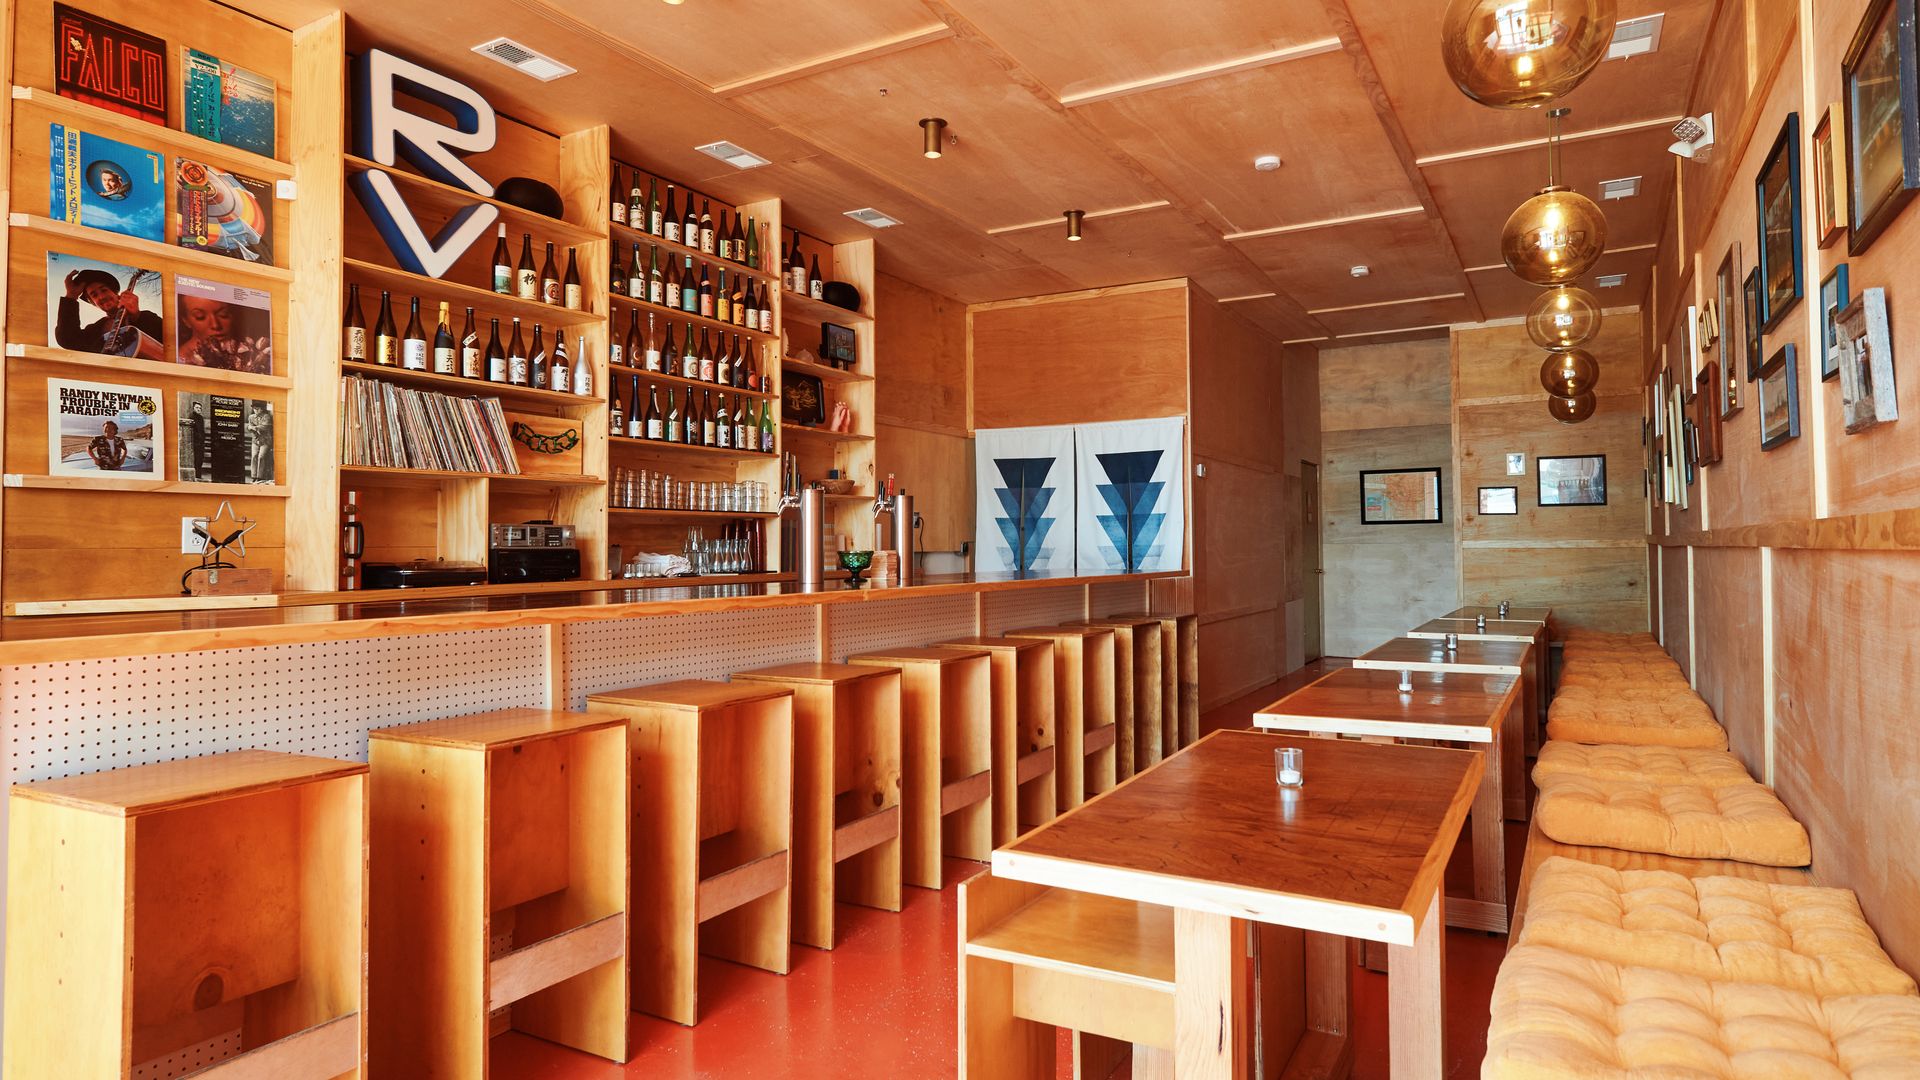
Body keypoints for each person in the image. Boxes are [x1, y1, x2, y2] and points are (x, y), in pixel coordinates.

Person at [55, 268, 164, 360]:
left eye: (104, 290)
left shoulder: (145, 317)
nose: (101, 297)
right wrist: (71, 296)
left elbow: (167, 340)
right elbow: (68, 340)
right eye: (94, 295)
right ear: (94, 304)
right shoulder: (94, 330)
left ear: (116, 294)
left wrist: (137, 316)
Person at [178, 293, 271, 373]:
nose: (215, 325)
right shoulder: (181, 359)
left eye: (223, 314)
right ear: (186, 321)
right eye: (200, 317)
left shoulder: (248, 351)